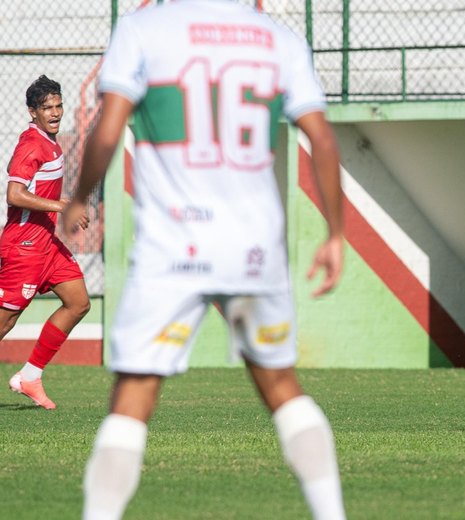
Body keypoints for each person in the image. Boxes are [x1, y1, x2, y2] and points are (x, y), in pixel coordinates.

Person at [63, 1, 345, 518]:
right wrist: (335, 232)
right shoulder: (278, 38)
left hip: (174, 248)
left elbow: (106, 132)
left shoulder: (141, 29)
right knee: (282, 387)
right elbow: (322, 137)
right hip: (254, 249)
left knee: (135, 393)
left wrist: (80, 197)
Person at [3, 75, 91, 410]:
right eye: (46, 108)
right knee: (6, 321)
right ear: (33, 112)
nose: (55, 113)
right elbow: (15, 194)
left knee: (78, 301)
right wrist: (61, 206)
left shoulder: (50, 141)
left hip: (46, 244)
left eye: (58, 105)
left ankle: (30, 375)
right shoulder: (31, 144)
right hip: (24, 246)